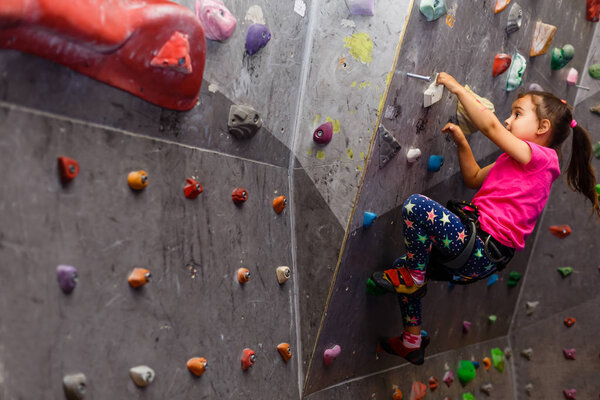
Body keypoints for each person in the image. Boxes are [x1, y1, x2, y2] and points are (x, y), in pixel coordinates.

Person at [367, 72, 599, 365]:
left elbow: (490, 126)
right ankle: (412, 341)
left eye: (517, 114)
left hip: (480, 245)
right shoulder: (516, 160)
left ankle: (413, 277)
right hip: (480, 257)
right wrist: (463, 142)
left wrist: (455, 87)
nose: (507, 121)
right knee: (407, 266)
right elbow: (474, 177)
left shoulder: (542, 159)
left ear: (543, 127)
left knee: (416, 207)